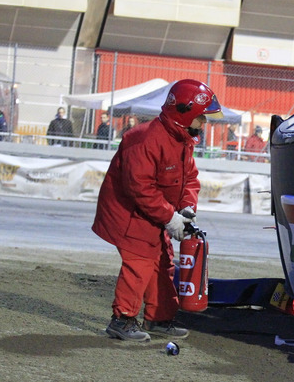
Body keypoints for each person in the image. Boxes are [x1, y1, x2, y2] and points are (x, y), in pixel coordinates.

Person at [92, 79, 223, 342]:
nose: (205, 125)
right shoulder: (144, 139)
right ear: (185, 113)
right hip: (129, 214)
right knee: (140, 264)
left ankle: (159, 318)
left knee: (163, 263)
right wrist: (170, 217)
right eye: (202, 118)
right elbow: (139, 188)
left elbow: (190, 179)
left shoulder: (181, 139)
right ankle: (122, 320)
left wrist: (186, 209)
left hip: (153, 214)